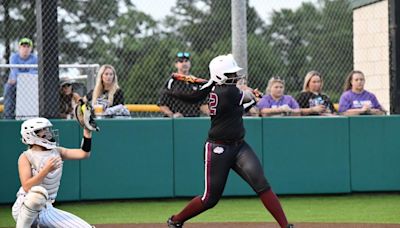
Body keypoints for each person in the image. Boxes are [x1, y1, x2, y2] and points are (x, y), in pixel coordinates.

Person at [166, 54, 294, 228]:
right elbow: (246, 98)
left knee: (261, 183)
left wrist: (251, 97)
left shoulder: (216, 88)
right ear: (221, 76)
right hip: (218, 149)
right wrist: (253, 95)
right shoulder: (229, 91)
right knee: (210, 199)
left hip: (239, 145)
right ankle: (176, 220)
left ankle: (285, 226)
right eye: (231, 74)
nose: (235, 76)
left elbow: (239, 109)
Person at [12, 117, 95, 227]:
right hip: (24, 207)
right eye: (42, 130)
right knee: (37, 194)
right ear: (31, 135)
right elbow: (27, 186)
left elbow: (83, 154)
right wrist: (46, 170)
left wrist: (87, 132)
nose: (48, 132)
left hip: (46, 209)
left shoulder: (57, 151)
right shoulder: (26, 156)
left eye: (47, 129)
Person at [158, 52, 209, 117]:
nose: (184, 63)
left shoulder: (196, 82)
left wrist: (211, 114)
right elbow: (162, 104)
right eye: (181, 61)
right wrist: (172, 115)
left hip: (193, 120)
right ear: (176, 64)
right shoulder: (171, 82)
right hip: (177, 122)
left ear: (190, 64)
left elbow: (202, 104)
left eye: (186, 61)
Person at [3, 37, 38, 119]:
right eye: (23, 46)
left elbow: (34, 72)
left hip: (30, 83)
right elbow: (14, 71)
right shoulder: (13, 57)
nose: (25, 49)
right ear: (19, 48)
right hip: (15, 83)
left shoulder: (35, 58)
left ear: (31, 49)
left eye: (27, 47)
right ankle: (9, 118)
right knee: (8, 87)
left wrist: (22, 77)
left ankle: (33, 116)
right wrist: (23, 76)